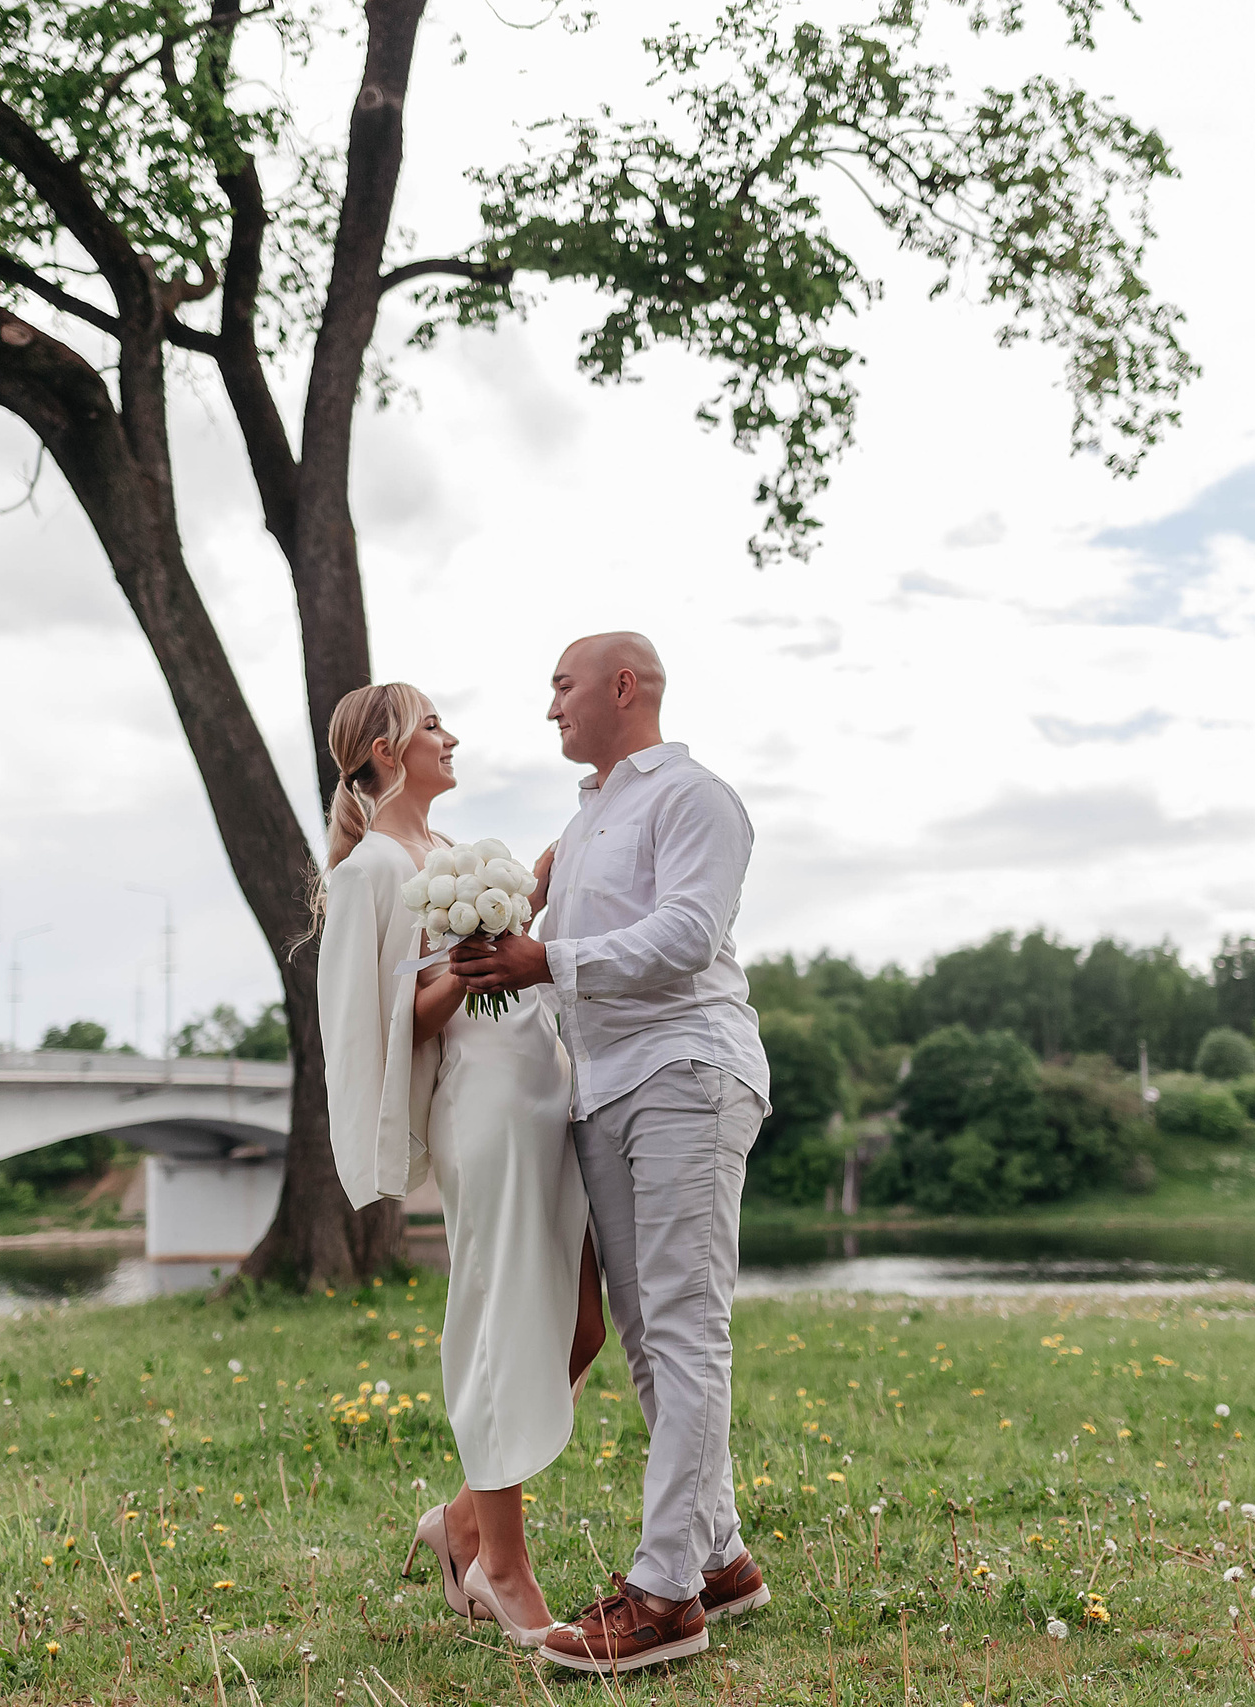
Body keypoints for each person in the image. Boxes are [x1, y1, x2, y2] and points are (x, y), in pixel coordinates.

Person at [453, 632, 773, 1675]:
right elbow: (558, 974)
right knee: (645, 1334)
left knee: (683, 1326)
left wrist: (546, 954)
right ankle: (718, 1556)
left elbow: (686, 935)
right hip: (607, 1089)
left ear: (623, 687)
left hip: (685, 1071)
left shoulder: (692, 798)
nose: (549, 707)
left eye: (561, 685)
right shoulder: (586, 821)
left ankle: (666, 1593)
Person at [316, 682, 603, 1645]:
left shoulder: (449, 856)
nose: (452, 736)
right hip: (482, 1109)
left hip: (542, 1082)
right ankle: (502, 1568)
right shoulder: (370, 873)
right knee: (503, 1322)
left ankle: (462, 1523)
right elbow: (373, 1024)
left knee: (585, 1322)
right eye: (433, 723)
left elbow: (508, 945)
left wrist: (544, 881)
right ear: (388, 748)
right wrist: (464, 967)